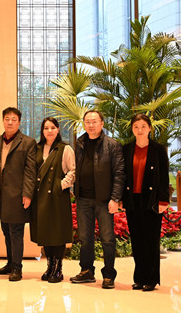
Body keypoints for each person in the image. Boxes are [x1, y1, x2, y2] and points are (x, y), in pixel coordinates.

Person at [71, 110, 125, 289]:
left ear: (102, 123)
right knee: (85, 238)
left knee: (107, 238)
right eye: (87, 122)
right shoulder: (79, 143)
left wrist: (115, 198)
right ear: (84, 124)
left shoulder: (112, 145)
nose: (91, 125)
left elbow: (119, 174)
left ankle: (108, 275)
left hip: (104, 200)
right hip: (83, 199)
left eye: (94, 121)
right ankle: (87, 271)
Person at [121, 114, 169, 292]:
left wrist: (164, 200)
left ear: (149, 128)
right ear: (132, 129)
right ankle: (139, 278)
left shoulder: (158, 150)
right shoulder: (126, 149)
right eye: (136, 127)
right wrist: (121, 199)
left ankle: (151, 279)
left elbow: (164, 176)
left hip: (152, 200)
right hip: (132, 200)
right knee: (137, 240)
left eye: (143, 126)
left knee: (151, 240)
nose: (139, 130)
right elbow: (122, 176)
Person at [0, 107, 37, 281]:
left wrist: (27, 193)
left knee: (16, 231)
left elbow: (30, 171)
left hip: (17, 195)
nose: (10, 122)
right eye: (7, 119)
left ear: (19, 122)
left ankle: (17, 268)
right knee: (6, 230)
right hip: (0, 195)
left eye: (14, 119)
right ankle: (10, 263)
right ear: (3, 121)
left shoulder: (28, 142)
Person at [30, 117, 75, 283]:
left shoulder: (65, 148)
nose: (49, 131)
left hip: (57, 196)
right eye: (46, 128)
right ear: (42, 131)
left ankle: (58, 268)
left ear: (58, 130)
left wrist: (60, 185)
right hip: (40, 196)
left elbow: (73, 171)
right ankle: (49, 266)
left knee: (57, 232)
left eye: (53, 128)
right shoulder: (37, 148)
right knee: (45, 231)